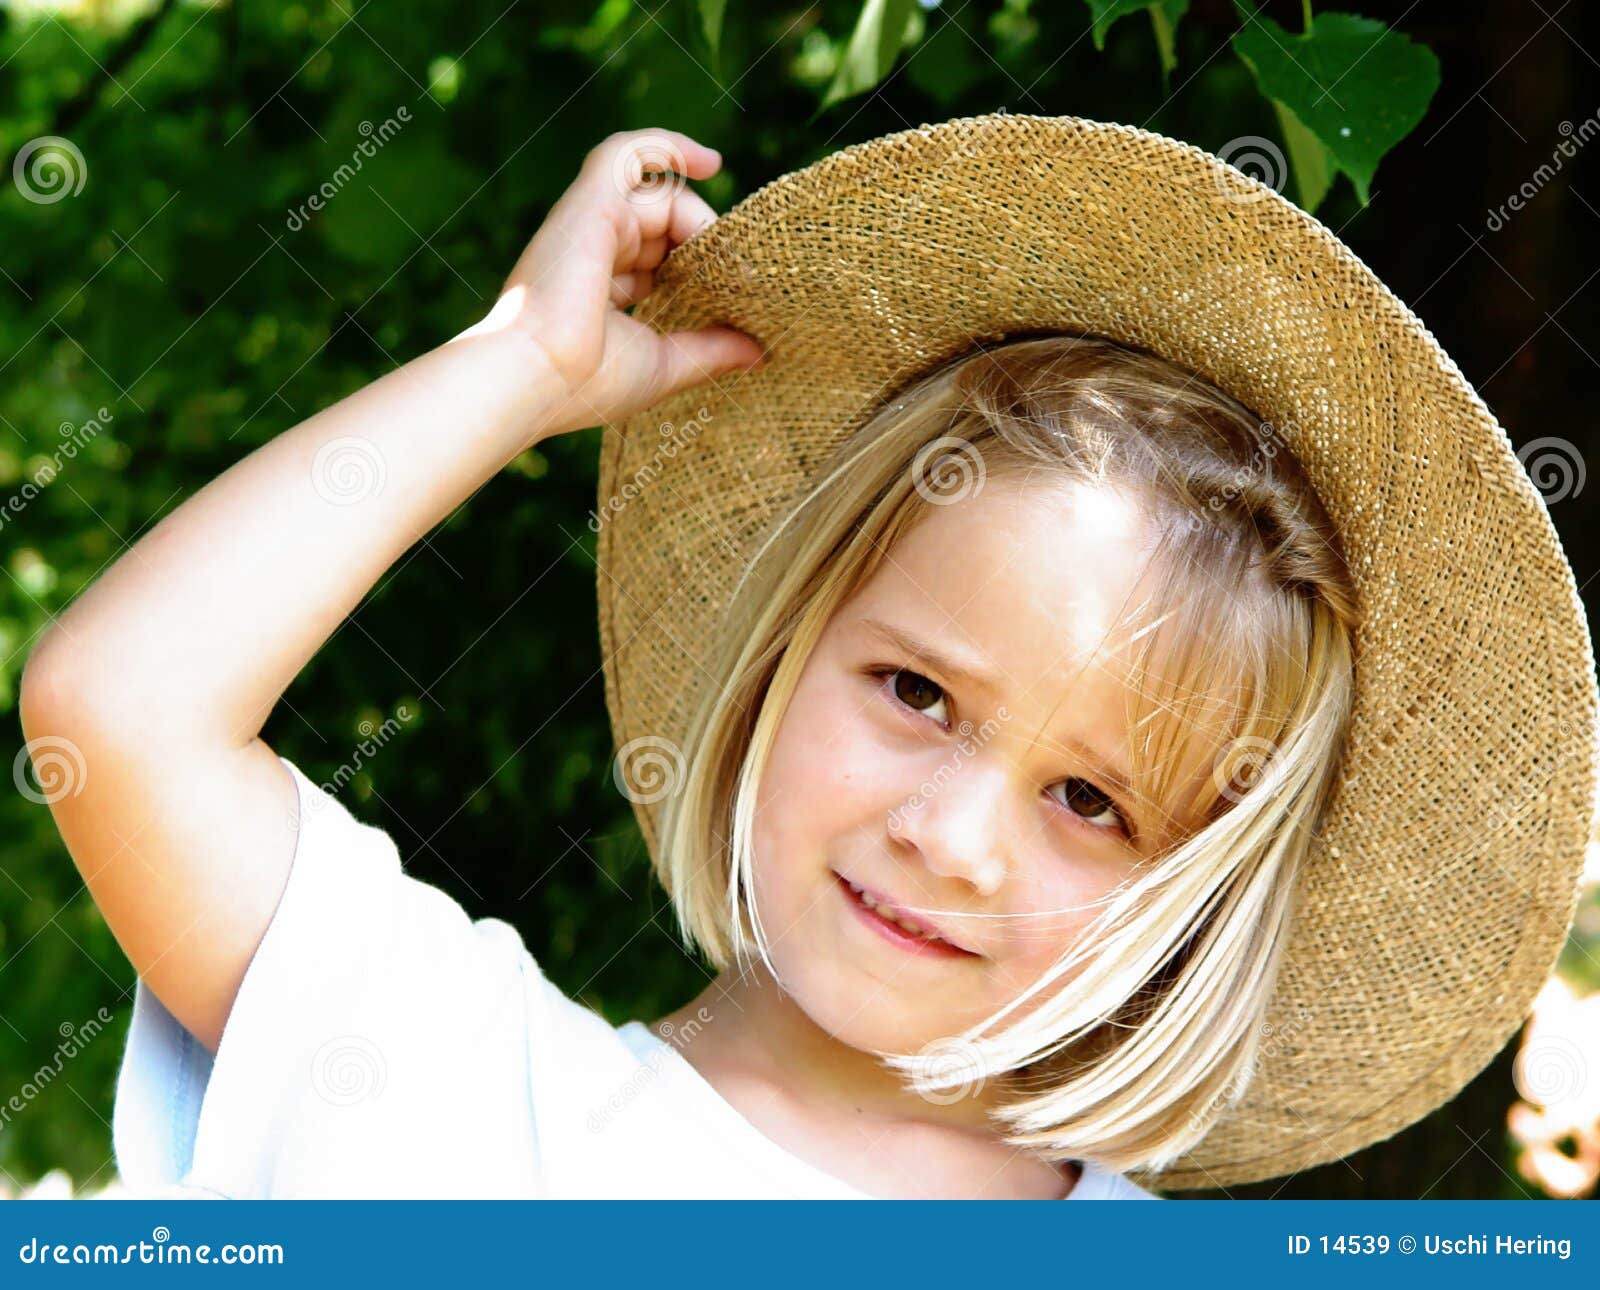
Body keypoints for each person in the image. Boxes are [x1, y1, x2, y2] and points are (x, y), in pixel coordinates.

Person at [19, 116, 1595, 1200]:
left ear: (1202, 896)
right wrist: (524, 365)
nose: (952, 837)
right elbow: (122, 710)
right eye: (918, 693)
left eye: (1094, 800)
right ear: (786, 648)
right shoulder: (461, 1094)